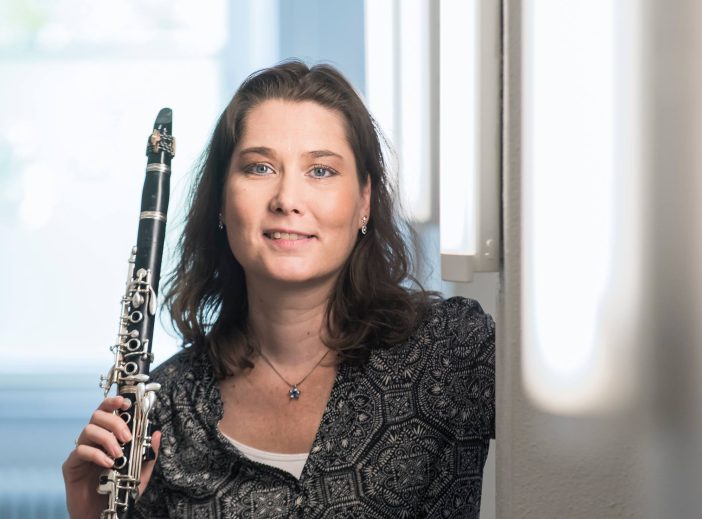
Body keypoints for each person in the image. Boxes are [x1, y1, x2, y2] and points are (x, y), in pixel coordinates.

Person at [62, 60, 495, 518]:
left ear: (364, 201)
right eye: (260, 167)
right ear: (222, 200)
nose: (287, 200)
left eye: (321, 171)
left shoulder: (453, 350)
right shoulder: (166, 411)